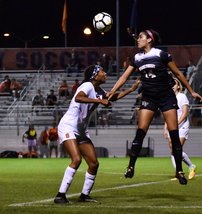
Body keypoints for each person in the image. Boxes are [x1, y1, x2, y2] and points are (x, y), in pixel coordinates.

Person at [107, 29, 202, 185]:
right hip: (149, 98)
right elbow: (124, 76)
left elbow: (178, 73)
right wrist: (113, 90)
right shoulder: (137, 58)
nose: (138, 40)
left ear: (150, 40)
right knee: (140, 132)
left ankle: (179, 171)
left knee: (174, 134)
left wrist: (191, 91)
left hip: (166, 97)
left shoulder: (161, 55)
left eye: (141, 37)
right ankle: (130, 167)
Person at [54, 64, 140, 203]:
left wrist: (132, 89)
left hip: (80, 129)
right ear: (94, 76)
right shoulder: (87, 86)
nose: (105, 73)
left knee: (93, 163)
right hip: (68, 126)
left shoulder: (98, 89)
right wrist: (100, 100)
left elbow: (113, 97)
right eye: (102, 71)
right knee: (76, 160)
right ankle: (60, 195)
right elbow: (79, 98)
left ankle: (84, 196)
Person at [163, 77, 196, 180]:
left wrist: (175, 125)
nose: (172, 85)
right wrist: (165, 128)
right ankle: (178, 172)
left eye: (174, 84)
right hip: (172, 127)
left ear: (178, 86)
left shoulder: (182, 97)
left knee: (177, 148)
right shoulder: (167, 98)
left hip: (181, 126)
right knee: (173, 151)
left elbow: (185, 114)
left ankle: (191, 166)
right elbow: (167, 115)